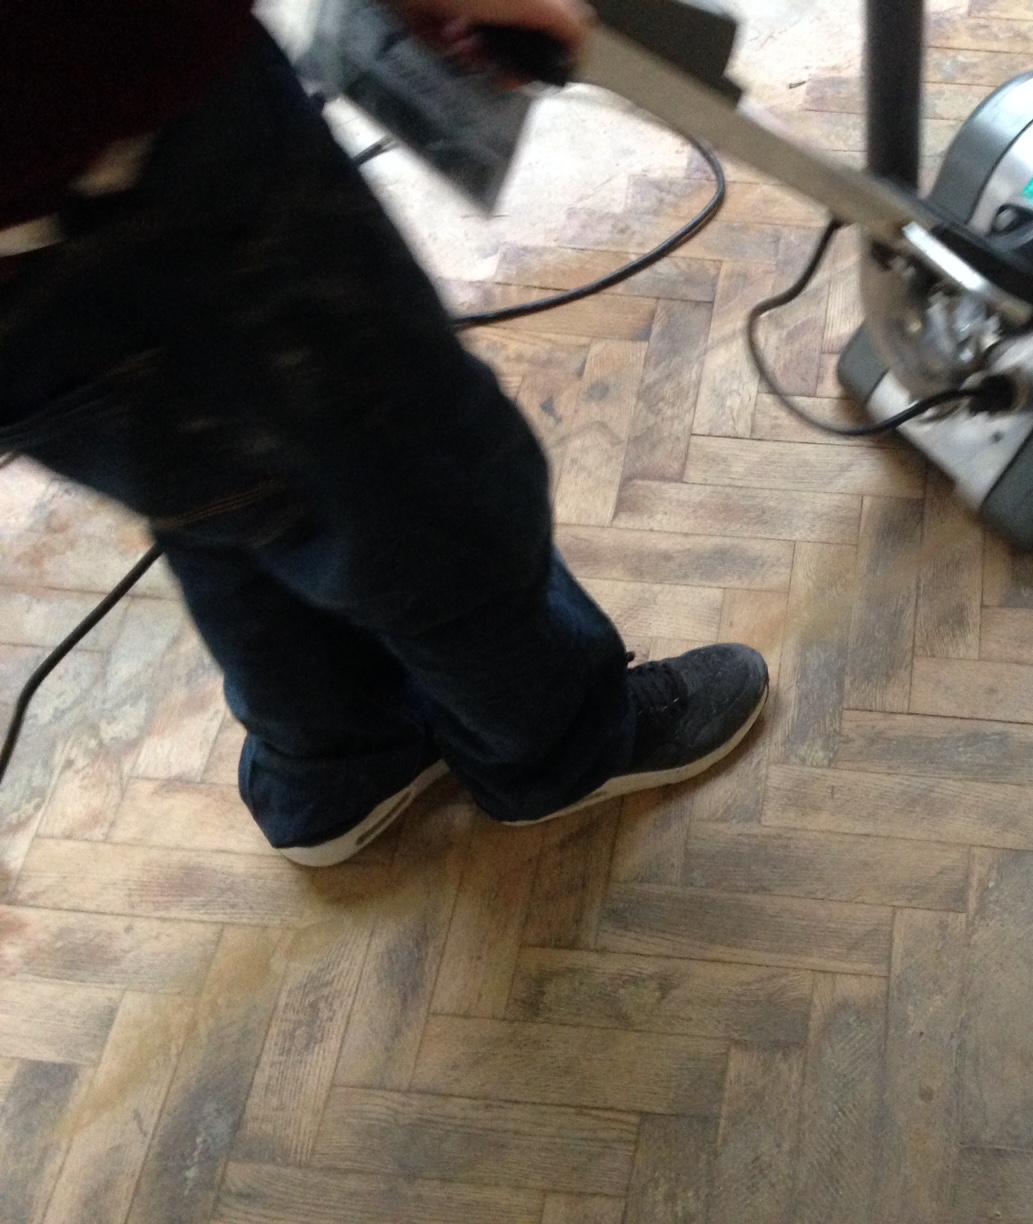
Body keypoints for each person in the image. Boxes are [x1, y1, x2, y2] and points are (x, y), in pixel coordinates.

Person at [0, 0, 769, 866]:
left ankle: (333, 768)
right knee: (429, 483)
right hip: (151, 165)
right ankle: (561, 750)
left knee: (223, 496)